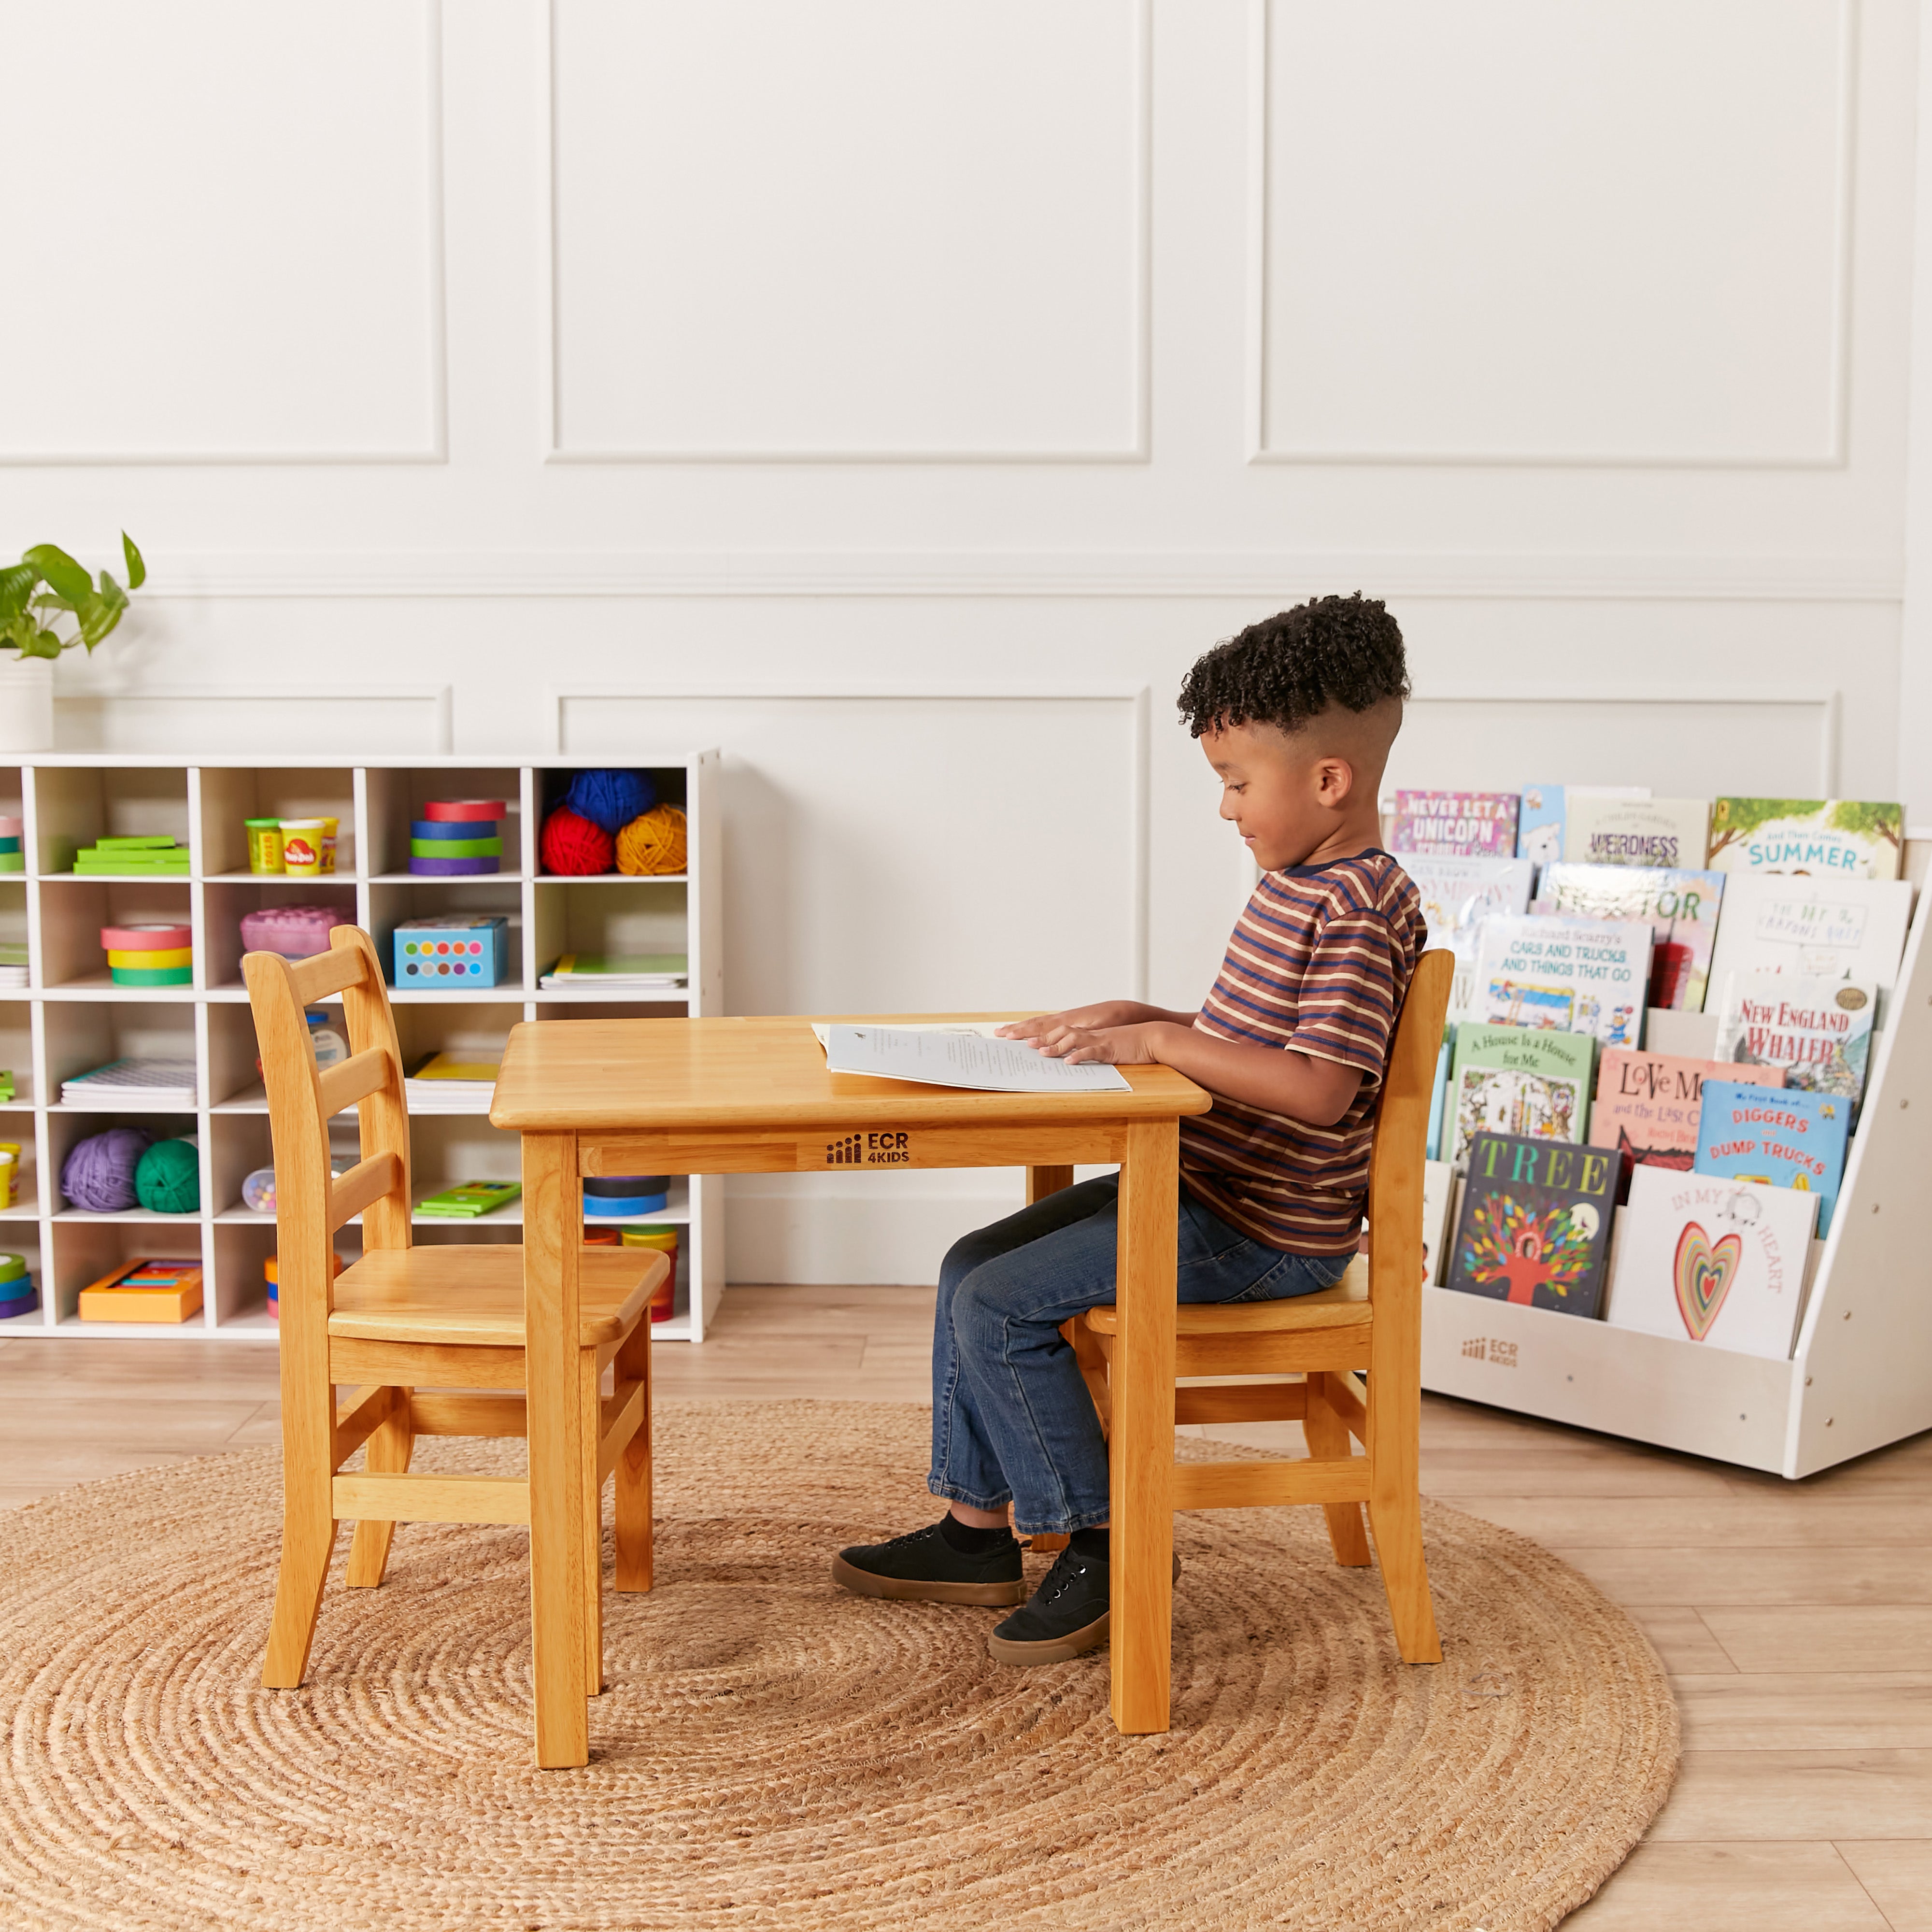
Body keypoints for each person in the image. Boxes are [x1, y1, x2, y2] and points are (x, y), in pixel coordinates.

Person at [833, 594, 1427, 1665]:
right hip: (1201, 1189)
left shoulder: (1352, 906)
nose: (1225, 809)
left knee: (1003, 1303)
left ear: (1327, 780)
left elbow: (1316, 1088)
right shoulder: (1299, 884)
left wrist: (1155, 1050)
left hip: (1260, 1231)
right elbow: (1252, 1040)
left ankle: (1108, 1543)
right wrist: (1145, 1017)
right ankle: (975, 1531)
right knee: (969, 1261)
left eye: (1237, 784)